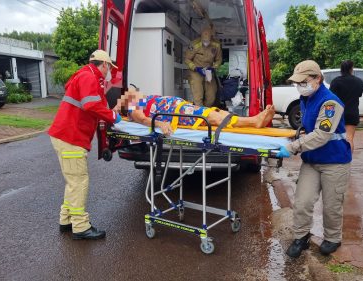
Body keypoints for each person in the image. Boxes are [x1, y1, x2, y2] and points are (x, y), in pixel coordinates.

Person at [280, 60, 352, 258]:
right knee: (302, 202)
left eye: (304, 81)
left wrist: (293, 147)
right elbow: (307, 128)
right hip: (312, 161)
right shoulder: (306, 98)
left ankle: (332, 238)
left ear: (317, 79)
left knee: (332, 205)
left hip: (335, 161)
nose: (300, 86)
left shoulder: (330, 103)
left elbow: (321, 134)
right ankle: (301, 237)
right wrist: (293, 136)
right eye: (297, 82)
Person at [48, 50, 122, 240]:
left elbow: (97, 104)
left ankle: (66, 220)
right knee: (79, 182)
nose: (109, 72)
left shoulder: (87, 76)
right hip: (71, 138)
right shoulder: (89, 77)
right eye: (109, 68)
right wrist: (114, 117)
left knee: (72, 181)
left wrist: (110, 111)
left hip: (66, 136)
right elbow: (91, 106)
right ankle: (80, 227)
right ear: (104, 64)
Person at [115, 90, 275, 135]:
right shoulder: (131, 108)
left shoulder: (136, 98)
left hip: (179, 107)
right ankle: (254, 122)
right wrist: (161, 123)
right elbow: (143, 120)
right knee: (211, 117)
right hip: (176, 114)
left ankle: (252, 119)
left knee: (214, 111)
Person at [329, 60, 363, 152]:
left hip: (338, 114)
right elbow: (359, 94)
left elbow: (331, 98)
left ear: (341, 69)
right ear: (351, 68)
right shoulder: (359, 81)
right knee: (349, 139)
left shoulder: (335, 81)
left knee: (336, 140)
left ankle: (337, 161)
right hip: (352, 113)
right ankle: (347, 162)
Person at [184, 26, 222, 107]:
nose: (206, 43)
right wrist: (195, 68)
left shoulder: (216, 45)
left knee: (211, 95)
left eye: (207, 41)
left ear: (211, 38)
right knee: (198, 95)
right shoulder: (194, 45)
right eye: (204, 41)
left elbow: (219, 60)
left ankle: (206, 111)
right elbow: (187, 59)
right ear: (201, 38)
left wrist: (213, 67)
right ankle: (199, 113)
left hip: (208, 71)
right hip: (196, 71)